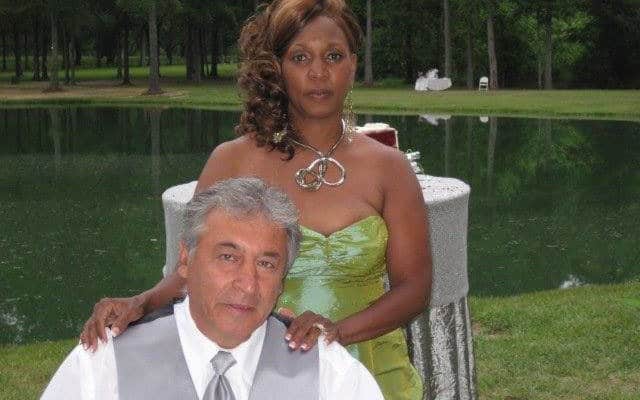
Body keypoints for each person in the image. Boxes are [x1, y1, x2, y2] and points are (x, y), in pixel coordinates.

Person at [80, 1, 432, 398]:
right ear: (278, 67)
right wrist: (141, 303)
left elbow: (415, 287)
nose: (319, 72)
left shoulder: (390, 168)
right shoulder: (231, 160)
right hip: (271, 375)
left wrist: (337, 333)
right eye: (300, 57)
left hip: (372, 370)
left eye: (333, 56)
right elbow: (194, 268)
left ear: (353, 64)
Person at [43, 178, 384, 400]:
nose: (248, 284)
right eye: (228, 257)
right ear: (185, 260)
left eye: (266, 264)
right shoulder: (106, 361)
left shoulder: (327, 370)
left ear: (282, 280)